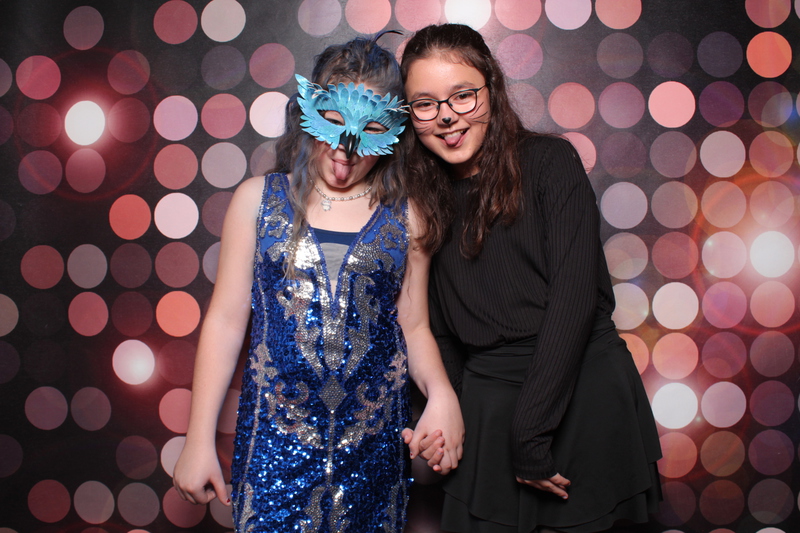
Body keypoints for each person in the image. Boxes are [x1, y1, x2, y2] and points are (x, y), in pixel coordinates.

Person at [172, 34, 463, 532]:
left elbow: (413, 326)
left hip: (372, 450)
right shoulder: (256, 200)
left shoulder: (407, 217)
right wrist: (197, 439)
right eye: (333, 120)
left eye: (370, 129)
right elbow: (225, 323)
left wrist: (442, 394)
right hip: (273, 449)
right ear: (308, 111)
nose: (347, 148)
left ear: (393, 133)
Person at [400, 24, 662, 533]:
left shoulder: (550, 162)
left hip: (581, 395)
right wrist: (449, 410)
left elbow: (574, 303)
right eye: (425, 104)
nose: (447, 115)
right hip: (488, 404)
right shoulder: (421, 198)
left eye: (463, 95)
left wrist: (530, 431)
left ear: (492, 90)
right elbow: (439, 327)